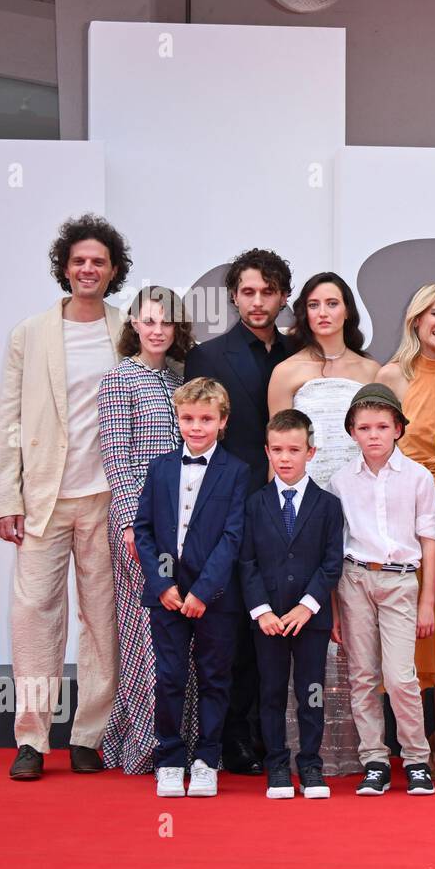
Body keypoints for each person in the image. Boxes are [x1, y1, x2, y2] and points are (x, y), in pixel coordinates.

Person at [0, 214, 123, 781]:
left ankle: (89, 736)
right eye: (78, 261)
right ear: (65, 268)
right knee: (34, 618)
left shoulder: (127, 330)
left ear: (113, 270)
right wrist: (8, 496)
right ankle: (31, 737)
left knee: (102, 621)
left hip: (106, 499)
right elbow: (9, 421)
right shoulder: (31, 333)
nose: (88, 269)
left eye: (98, 261)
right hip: (45, 498)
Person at [184, 247, 292, 775]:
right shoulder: (207, 356)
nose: (257, 301)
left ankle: (266, 735)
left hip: (287, 506)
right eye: (247, 291)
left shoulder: (299, 355)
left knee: (269, 617)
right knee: (229, 625)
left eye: (268, 292)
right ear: (232, 296)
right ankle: (229, 738)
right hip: (229, 507)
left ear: (283, 297)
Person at [267, 272, 379, 775]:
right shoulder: (287, 371)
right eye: (313, 304)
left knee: (350, 604)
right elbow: (276, 447)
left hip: (357, 502)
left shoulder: (372, 369)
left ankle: (357, 748)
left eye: (332, 303)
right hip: (305, 505)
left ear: (348, 310)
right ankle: (301, 751)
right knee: (309, 606)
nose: (323, 313)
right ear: (304, 313)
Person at [97, 286, 197, 774]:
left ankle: (184, 742)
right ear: (133, 324)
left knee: (181, 638)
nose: (157, 329)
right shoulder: (120, 380)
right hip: (141, 530)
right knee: (146, 639)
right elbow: (117, 461)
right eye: (149, 320)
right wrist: (132, 528)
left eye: (166, 321)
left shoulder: (178, 381)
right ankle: (145, 745)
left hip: (182, 525)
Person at [134, 378, 250, 797]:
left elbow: (233, 537)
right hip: (166, 595)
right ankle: (168, 758)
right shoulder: (160, 467)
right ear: (177, 418)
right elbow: (144, 530)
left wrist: (203, 591)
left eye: (206, 419)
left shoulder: (237, 471)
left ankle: (205, 759)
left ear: (222, 421)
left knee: (215, 677)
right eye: (188, 418)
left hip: (215, 596)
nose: (196, 427)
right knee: (170, 677)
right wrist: (162, 583)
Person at [376, 284, 435, 778]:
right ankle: (411, 739)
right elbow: (377, 444)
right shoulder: (391, 375)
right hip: (406, 509)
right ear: (416, 319)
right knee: (412, 627)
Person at [329, 384, 435, 797]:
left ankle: (416, 759)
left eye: (381, 426)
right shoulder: (341, 481)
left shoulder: (417, 478)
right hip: (354, 579)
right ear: (352, 433)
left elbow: (429, 540)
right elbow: (336, 548)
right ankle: (374, 759)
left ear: (397, 428)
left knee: (399, 677)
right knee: (361, 676)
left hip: (399, 582)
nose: (373, 435)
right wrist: (336, 611)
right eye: (364, 427)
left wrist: (427, 601)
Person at [239, 408, 344, 799]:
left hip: (310, 621)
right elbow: (246, 562)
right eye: (278, 450)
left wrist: (308, 605)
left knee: (311, 690)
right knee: (270, 692)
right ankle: (277, 765)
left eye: (294, 450)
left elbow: (331, 563)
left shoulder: (329, 506)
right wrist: (261, 611)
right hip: (267, 621)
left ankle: (311, 766)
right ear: (267, 451)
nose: (285, 458)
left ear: (311, 453)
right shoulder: (254, 504)